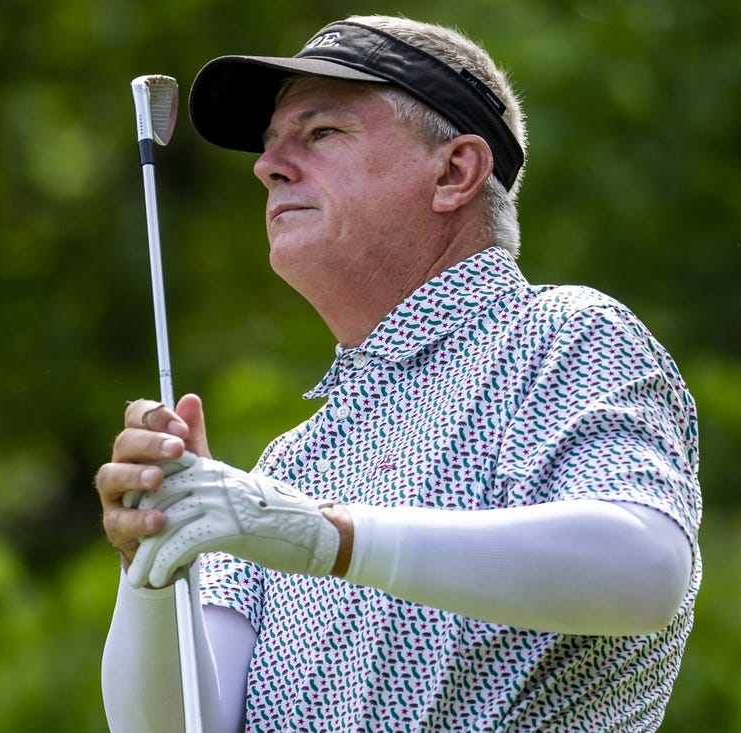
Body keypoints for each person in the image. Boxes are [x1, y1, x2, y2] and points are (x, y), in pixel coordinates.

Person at [97, 14, 701, 733]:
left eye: (321, 133)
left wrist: (328, 535)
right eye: (269, 146)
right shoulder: (291, 462)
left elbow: (646, 570)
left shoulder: (562, 335)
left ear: (454, 172)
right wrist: (156, 564)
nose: (268, 165)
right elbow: (179, 727)